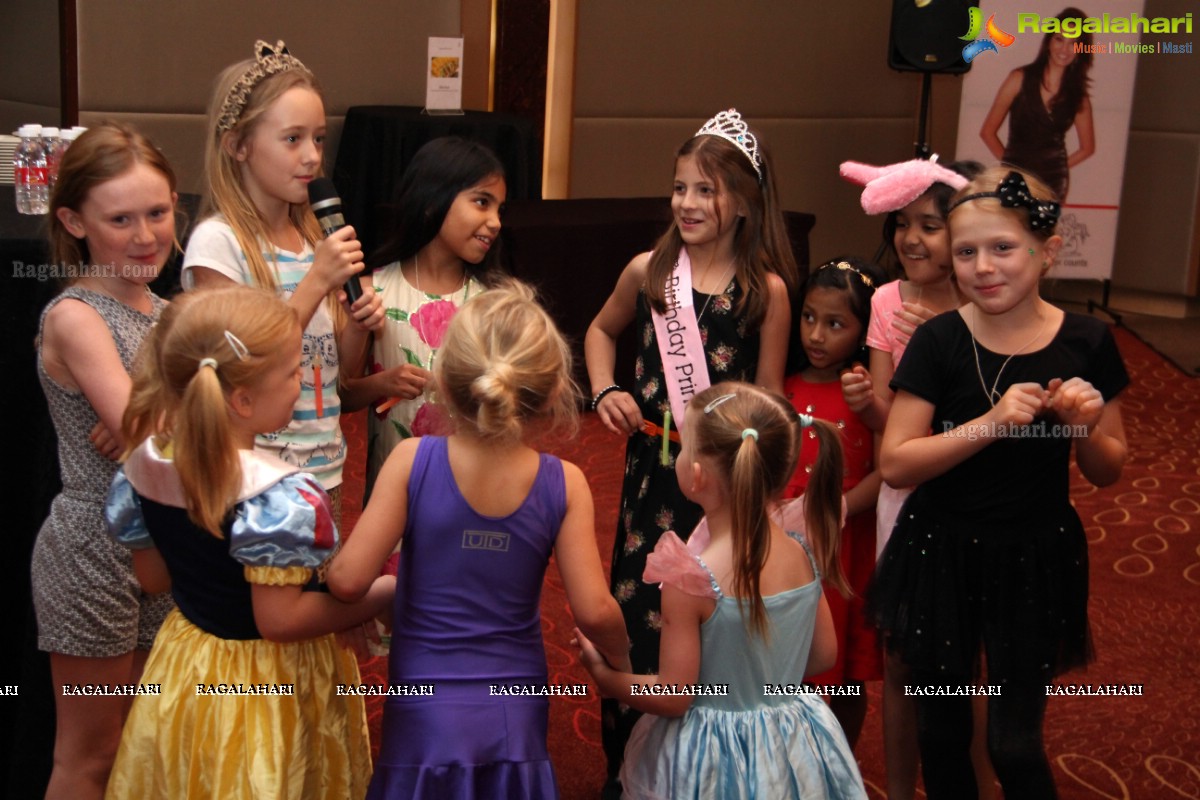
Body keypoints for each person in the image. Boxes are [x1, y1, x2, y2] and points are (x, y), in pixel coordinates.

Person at [870, 167, 1129, 799]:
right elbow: (897, 462)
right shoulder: (939, 341)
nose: (983, 267)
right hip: (940, 556)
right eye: (966, 252)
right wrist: (990, 422)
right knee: (942, 733)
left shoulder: (1088, 340)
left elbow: (1108, 468)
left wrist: (1083, 427)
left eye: (1003, 248)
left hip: (1032, 560)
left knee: (1013, 743)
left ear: (1048, 251)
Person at [327, 280, 630, 798]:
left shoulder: (410, 461)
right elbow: (595, 611)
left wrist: (385, 594)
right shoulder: (566, 483)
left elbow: (349, 579)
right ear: (555, 392)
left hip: (422, 704)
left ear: (444, 381)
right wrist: (622, 660)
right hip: (514, 707)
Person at [104, 285, 394, 798]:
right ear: (241, 398)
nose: (303, 379)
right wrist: (381, 596)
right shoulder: (277, 497)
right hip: (263, 684)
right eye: (291, 372)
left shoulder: (144, 467)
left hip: (187, 664)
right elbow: (280, 622)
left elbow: (153, 579)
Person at [583, 109, 797, 787]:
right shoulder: (649, 272)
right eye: (681, 188)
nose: (689, 203)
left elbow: (768, 401)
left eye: (708, 190)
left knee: (709, 620)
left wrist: (761, 495)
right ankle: (627, 769)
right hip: (652, 476)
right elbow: (598, 329)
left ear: (744, 202)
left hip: (722, 485)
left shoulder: (765, 292)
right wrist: (602, 388)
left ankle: (697, 773)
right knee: (637, 609)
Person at [574, 382, 867, 800]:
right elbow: (823, 655)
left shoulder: (692, 577)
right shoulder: (802, 550)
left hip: (710, 758)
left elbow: (675, 697)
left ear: (696, 475)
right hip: (791, 745)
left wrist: (608, 678)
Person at [29, 121, 178, 799]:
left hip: (162, 541)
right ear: (74, 220)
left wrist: (154, 418)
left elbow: (227, 413)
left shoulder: (172, 313)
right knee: (90, 753)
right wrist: (156, 414)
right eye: (121, 219)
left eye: (158, 213)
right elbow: (143, 426)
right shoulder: (75, 316)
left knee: (146, 741)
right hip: (94, 546)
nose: (145, 235)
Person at [839, 158, 996, 800]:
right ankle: (900, 788)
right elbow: (887, 432)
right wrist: (862, 401)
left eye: (928, 226)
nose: (910, 239)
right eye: (902, 224)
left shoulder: (988, 301)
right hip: (903, 495)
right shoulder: (884, 300)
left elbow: (993, 414)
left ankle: (983, 782)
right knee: (903, 654)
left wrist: (940, 344)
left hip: (973, 488)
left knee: (970, 656)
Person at [182, 39, 384, 525]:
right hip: (248, 478)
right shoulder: (218, 243)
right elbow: (232, 364)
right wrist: (315, 282)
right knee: (265, 604)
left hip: (325, 472)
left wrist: (358, 324)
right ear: (238, 146)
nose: (312, 157)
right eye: (292, 139)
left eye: (318, 139)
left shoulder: (314, 236)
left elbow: (337, 376)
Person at [340, 136, 505, 500]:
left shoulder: (490, 305)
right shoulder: (373, 292)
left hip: (469, 492)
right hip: (393, 496)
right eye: (482, 202)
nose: (494, 222)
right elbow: (341, 394)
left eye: (498, 209)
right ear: (432, 201)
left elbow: (513, 402)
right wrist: (384, 383)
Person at [782, 257, 886, 749]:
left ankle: (838, 760)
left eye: (835, 324)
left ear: (864, 330)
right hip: (783, 547)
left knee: (844, 673)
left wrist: (835, 510)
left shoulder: (868, 397)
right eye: (808, 317)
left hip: (842, 550)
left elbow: (887, 473)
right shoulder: (784, 388)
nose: (816, 335)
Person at [979, 7, 1095, 201]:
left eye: (1073, 43)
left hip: (1052, 183)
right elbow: (987, 132)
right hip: (1013, 179)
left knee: (1041, 231)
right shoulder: (1019, 79)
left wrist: (1059, 167)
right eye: (1059, 39)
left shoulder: (1078, 95)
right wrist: (1012, 167)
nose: (1064, 49)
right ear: (1049, 41)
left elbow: (1087, 148)